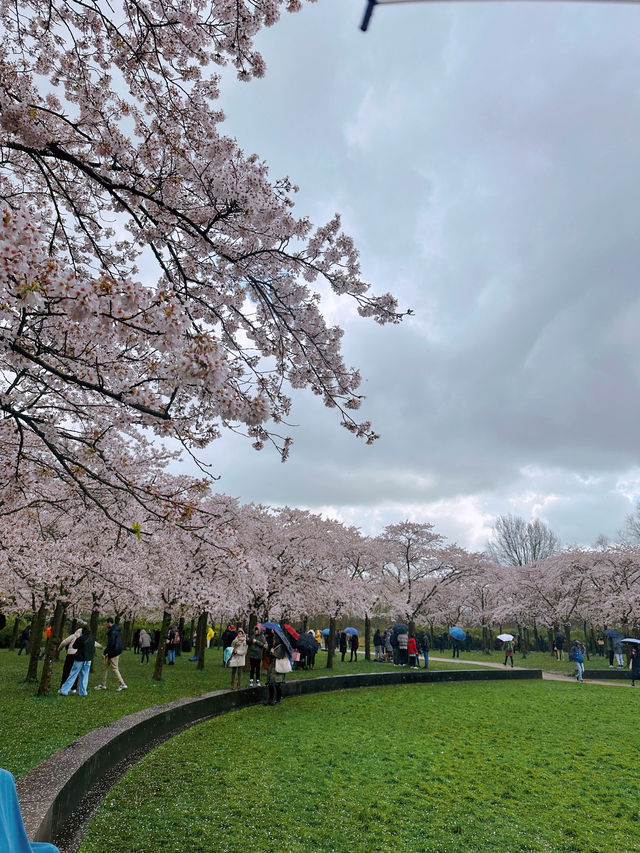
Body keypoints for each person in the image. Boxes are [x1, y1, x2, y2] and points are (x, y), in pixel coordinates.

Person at [59, 625, 97, 696]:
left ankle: (64, 690)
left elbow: (74, 646)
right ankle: (82, 692)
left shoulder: (81, 638)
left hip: (79, 658)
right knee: (85, 675)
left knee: (73, 674)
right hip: (88, 659)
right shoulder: (92, 639)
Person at [95, 617, 127, 691]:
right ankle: (103, 684)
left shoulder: (112, 631)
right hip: (116, 650)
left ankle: (122, 684)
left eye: (106, 623)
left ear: (109, 623)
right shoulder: (117, 630)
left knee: (115, 668)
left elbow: (111, 643)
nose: (106, 624)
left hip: (113, 652)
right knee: (104, 667)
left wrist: (105, 652)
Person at [265, 630, 288, 705]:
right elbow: (269, 654)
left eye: (275, 639)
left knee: (277, 684)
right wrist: (269, 650)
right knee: (270, 683)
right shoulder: (274, 646)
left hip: (278, 667)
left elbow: (279, 655)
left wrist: (273, 652)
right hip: (272, 666)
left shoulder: (281, 646)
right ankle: (270, 699)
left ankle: (278, 699)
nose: (273, 640)